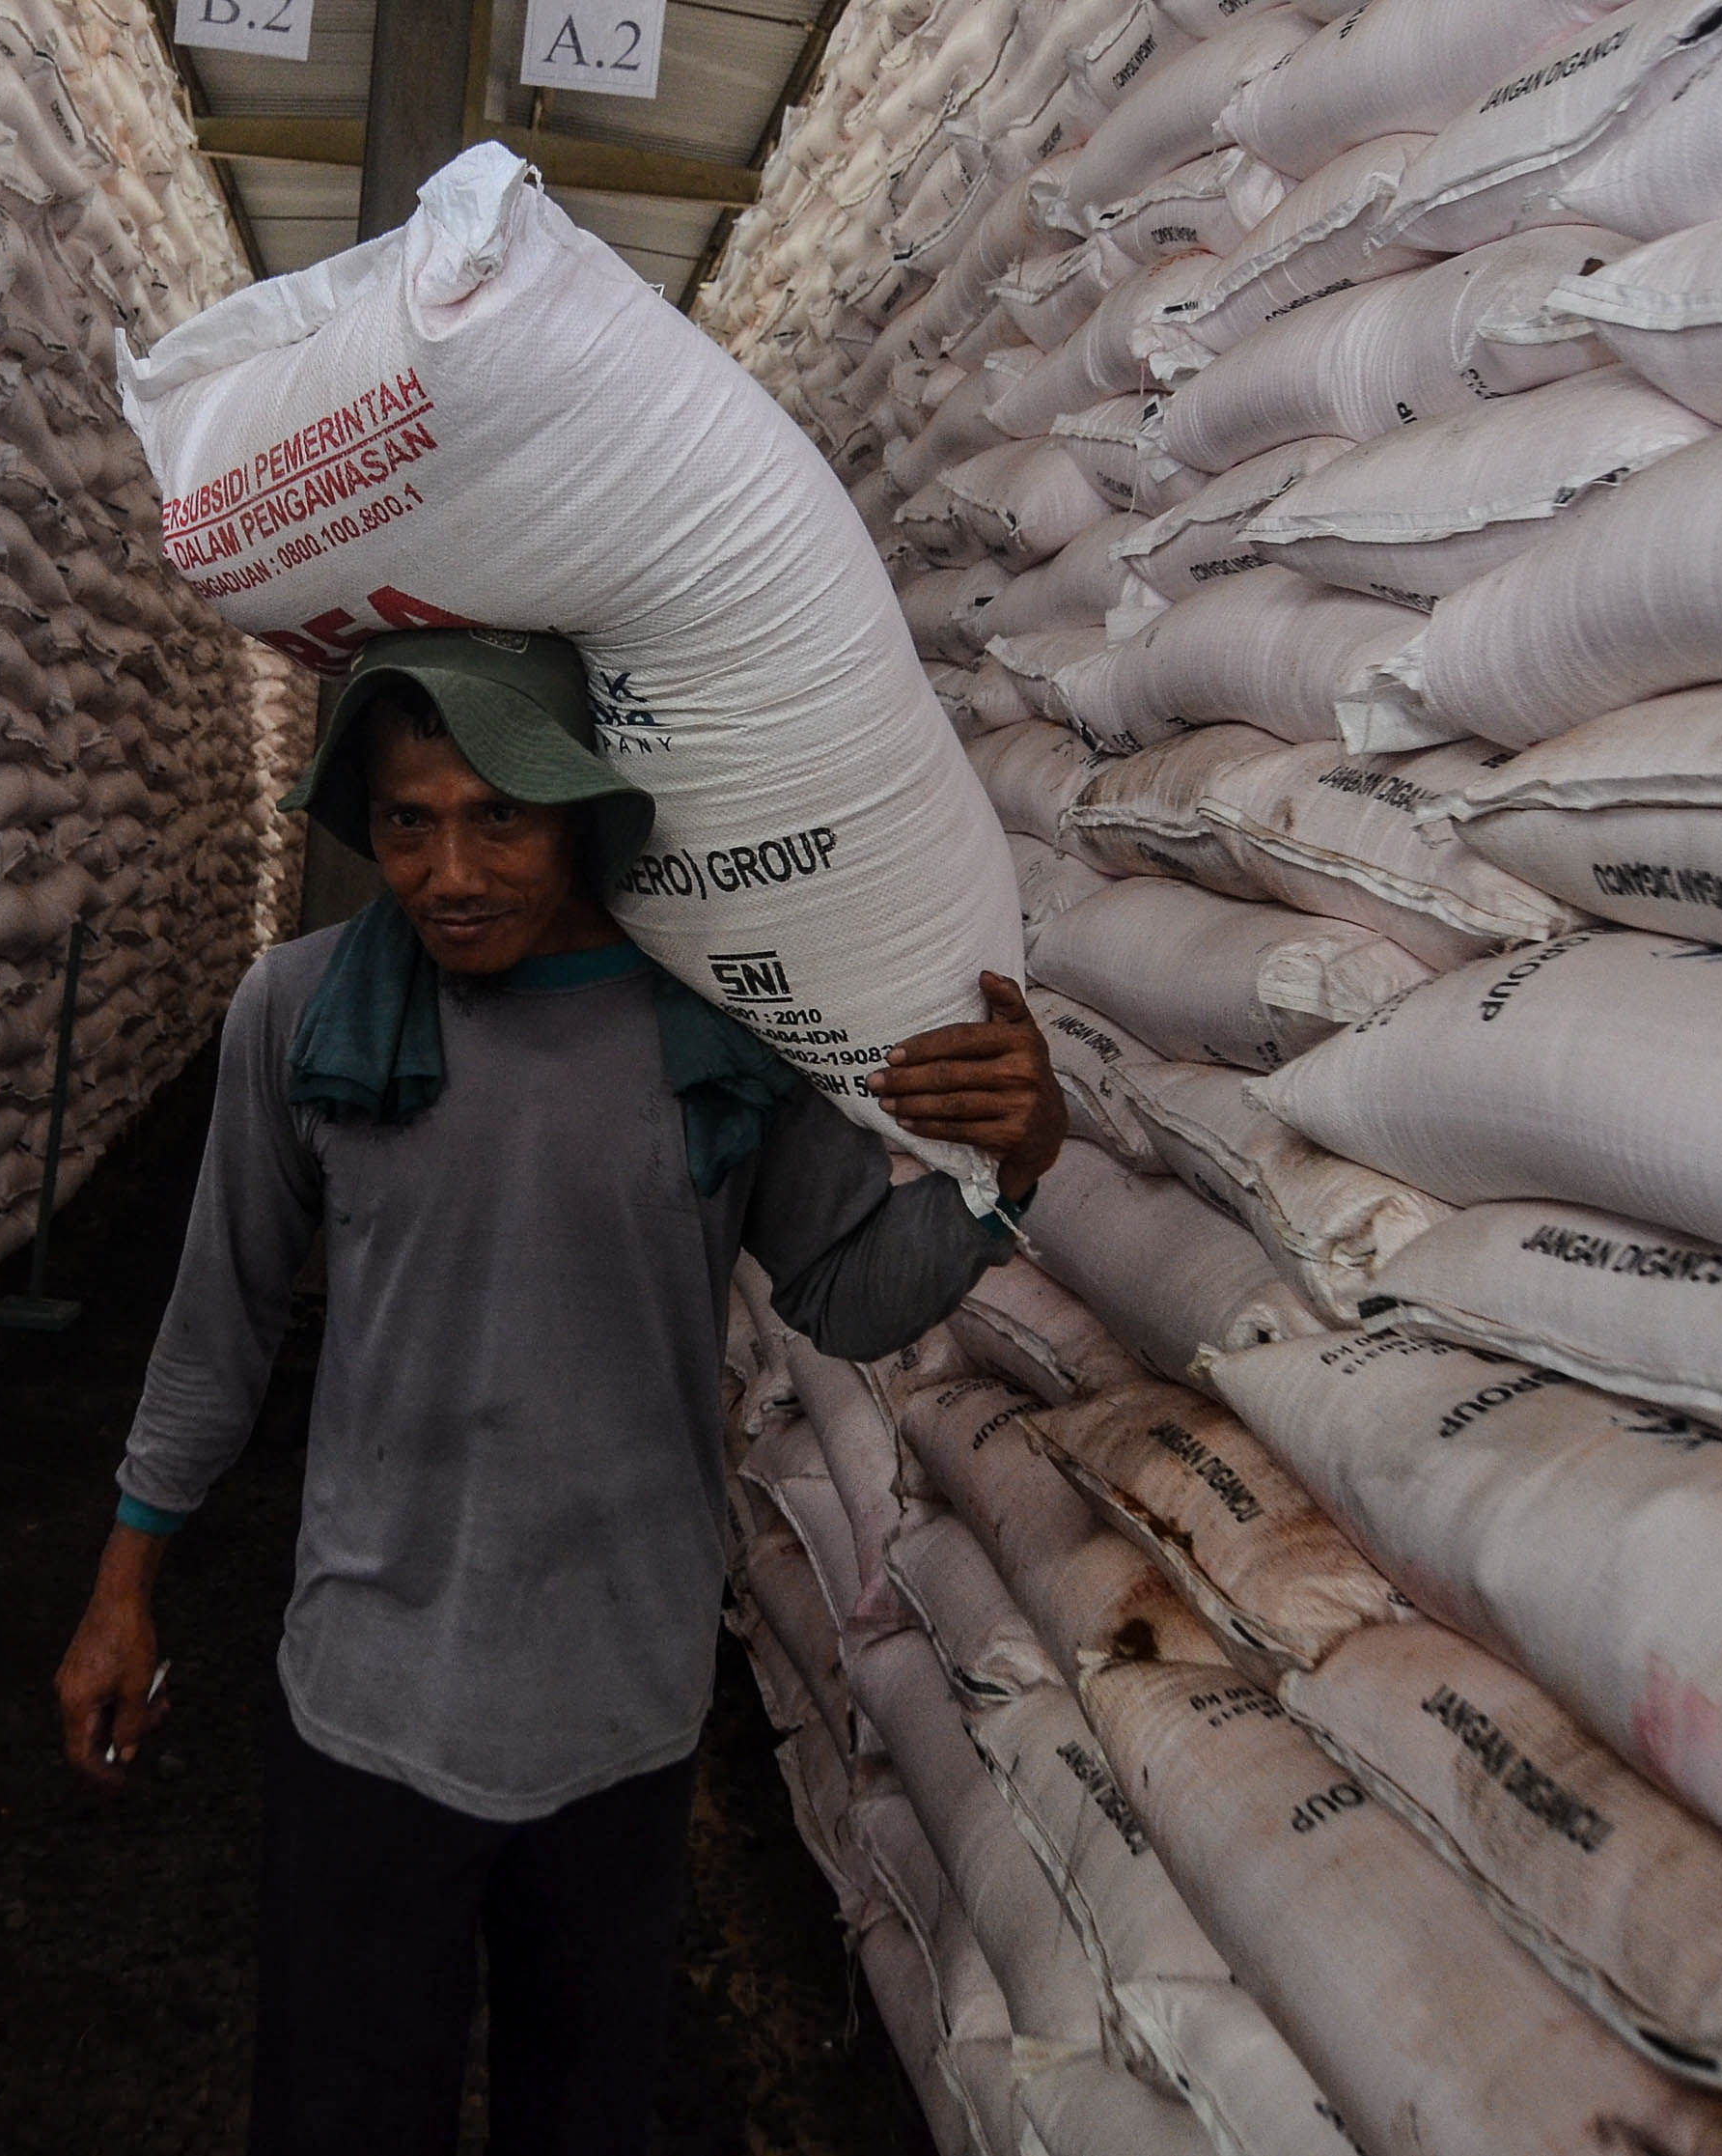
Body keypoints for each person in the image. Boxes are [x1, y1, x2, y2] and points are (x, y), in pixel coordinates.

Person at [52, 626, 1065, 2156]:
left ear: (584, 811)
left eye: (499, 814)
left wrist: (1010, 1166)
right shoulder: (305, 1011)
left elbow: (847, 1284)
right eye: (407, 821)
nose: (452, 871)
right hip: (370, 1697)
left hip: (621, 1707)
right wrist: (126, 1581)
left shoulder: (710, 1022)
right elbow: (221, 1318)